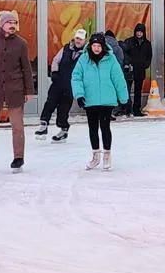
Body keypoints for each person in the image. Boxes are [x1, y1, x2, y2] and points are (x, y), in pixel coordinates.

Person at [0, 11, 34, 171]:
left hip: (15, 89)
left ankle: (18, 158)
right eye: (10, 23)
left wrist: (29, 90)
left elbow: (26, 69)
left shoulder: (21, 43)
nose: (13, 26)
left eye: (15, 23)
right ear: (2, 24)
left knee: (17, 126)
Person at [72, 33, 130, 170]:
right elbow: (76, 77)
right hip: (90, 99)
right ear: (90, 46)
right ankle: (95, 155)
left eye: (99, 46)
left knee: (105, 127)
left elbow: (118, 78)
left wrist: (123, 98)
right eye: (94, 45)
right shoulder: (84, 59)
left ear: (103, 46)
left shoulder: (110, 59)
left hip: (106, 99)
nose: (96, 49)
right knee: (92, 128)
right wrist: (79, 94)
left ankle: (107, 155)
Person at [38, 29, 84, 141]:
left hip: (71, 86)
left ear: (84, 41)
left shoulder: (85, 55)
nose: (78, 41)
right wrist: (54, 72)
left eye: (81, 39)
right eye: (77, 38)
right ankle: (44, 124)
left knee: (63, 109)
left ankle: (63, 129)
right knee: (50, 102)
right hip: (58, 82)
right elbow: (55, 60)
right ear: (74, 38)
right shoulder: (65, 48)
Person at [121, 24, 153, 117]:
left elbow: (149, 56)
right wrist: (128, 63)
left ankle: (136, 110)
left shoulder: (147, 43)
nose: (139, 33)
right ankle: (126, 109)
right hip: (130, 69)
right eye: (137, 31)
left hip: (140, 69)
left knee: (138, 91)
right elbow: (124, 53)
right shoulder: (129, 41)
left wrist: (146, 64)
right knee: (126, 89)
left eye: (141, 32)